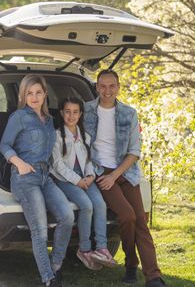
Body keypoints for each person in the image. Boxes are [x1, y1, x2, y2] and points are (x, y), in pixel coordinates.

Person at [84, 69, 166, 287]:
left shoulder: (129, 113)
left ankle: (153, 276)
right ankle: (130, 263)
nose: (107, 91)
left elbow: (135, 151)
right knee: (127, 216)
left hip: (125, 173)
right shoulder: (87, 111)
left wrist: (116, 175)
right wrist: (102, 175)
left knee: (141, 221)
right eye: (102, 86)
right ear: (97, 87)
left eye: (112, 86)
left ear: (118, 87)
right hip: (101, 173)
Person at [0, 74, 73, 287]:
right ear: (23, 95)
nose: (34, 97)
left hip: (45, 177)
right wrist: (19, 163)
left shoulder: (49, 121)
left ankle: (56, 266)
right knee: (40, 230)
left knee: (67, 217)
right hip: (25, 178)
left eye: (38, 92)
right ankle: (49, 279)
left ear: (45, 94)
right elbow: (4, 145)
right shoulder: (19, 117)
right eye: (29, 93)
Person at [51, 96, 118, 271]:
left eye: (75, 112)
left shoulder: (85, 136)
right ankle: (85, 248)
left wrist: (90, 176)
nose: (71, 116)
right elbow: (57, 165)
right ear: (61, 113)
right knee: (87, 206)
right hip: (65, 179)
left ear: (80, 114)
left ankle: (102, 248)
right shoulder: (57, 136)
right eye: (67, 112)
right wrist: (77, 180)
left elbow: (89, 160)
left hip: (85, 178)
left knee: (100, 204)